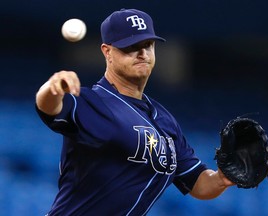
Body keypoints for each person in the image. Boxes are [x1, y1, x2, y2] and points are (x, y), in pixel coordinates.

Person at [36, 8, 234, 216]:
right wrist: (52, 87)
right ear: (107, 52)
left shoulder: (165, 121)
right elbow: (48, 107)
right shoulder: (91, 102)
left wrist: (221, 179)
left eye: (147, 45)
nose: (142, 53)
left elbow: (198, 183)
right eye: (130, 46)